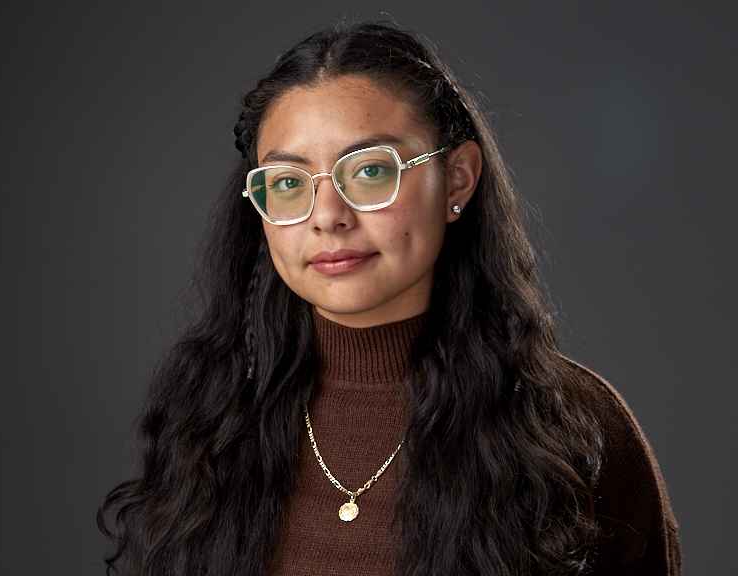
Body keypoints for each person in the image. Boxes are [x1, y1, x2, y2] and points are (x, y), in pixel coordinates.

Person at [97, 20, 682, 576]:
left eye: (371, 172)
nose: (327, 217)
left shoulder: (572, 429)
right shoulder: (208, 423)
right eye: (288, 182)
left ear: (457, 178)